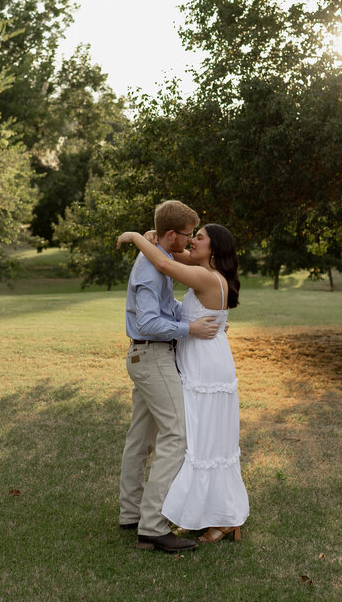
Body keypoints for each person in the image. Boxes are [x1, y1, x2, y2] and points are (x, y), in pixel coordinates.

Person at [117, 221, 248, 545]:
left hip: (204, 363)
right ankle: (202, 513)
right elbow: (169, 254)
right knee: (200, 440)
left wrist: (135, 236)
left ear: (213, 249)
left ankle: (223, 516)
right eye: (191, 235)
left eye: (199, 238)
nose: (192, 242)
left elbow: (163, 262)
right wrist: (156, 237)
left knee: (202, 440)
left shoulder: (205, 276)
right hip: (196, 357)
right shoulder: (204, 271)